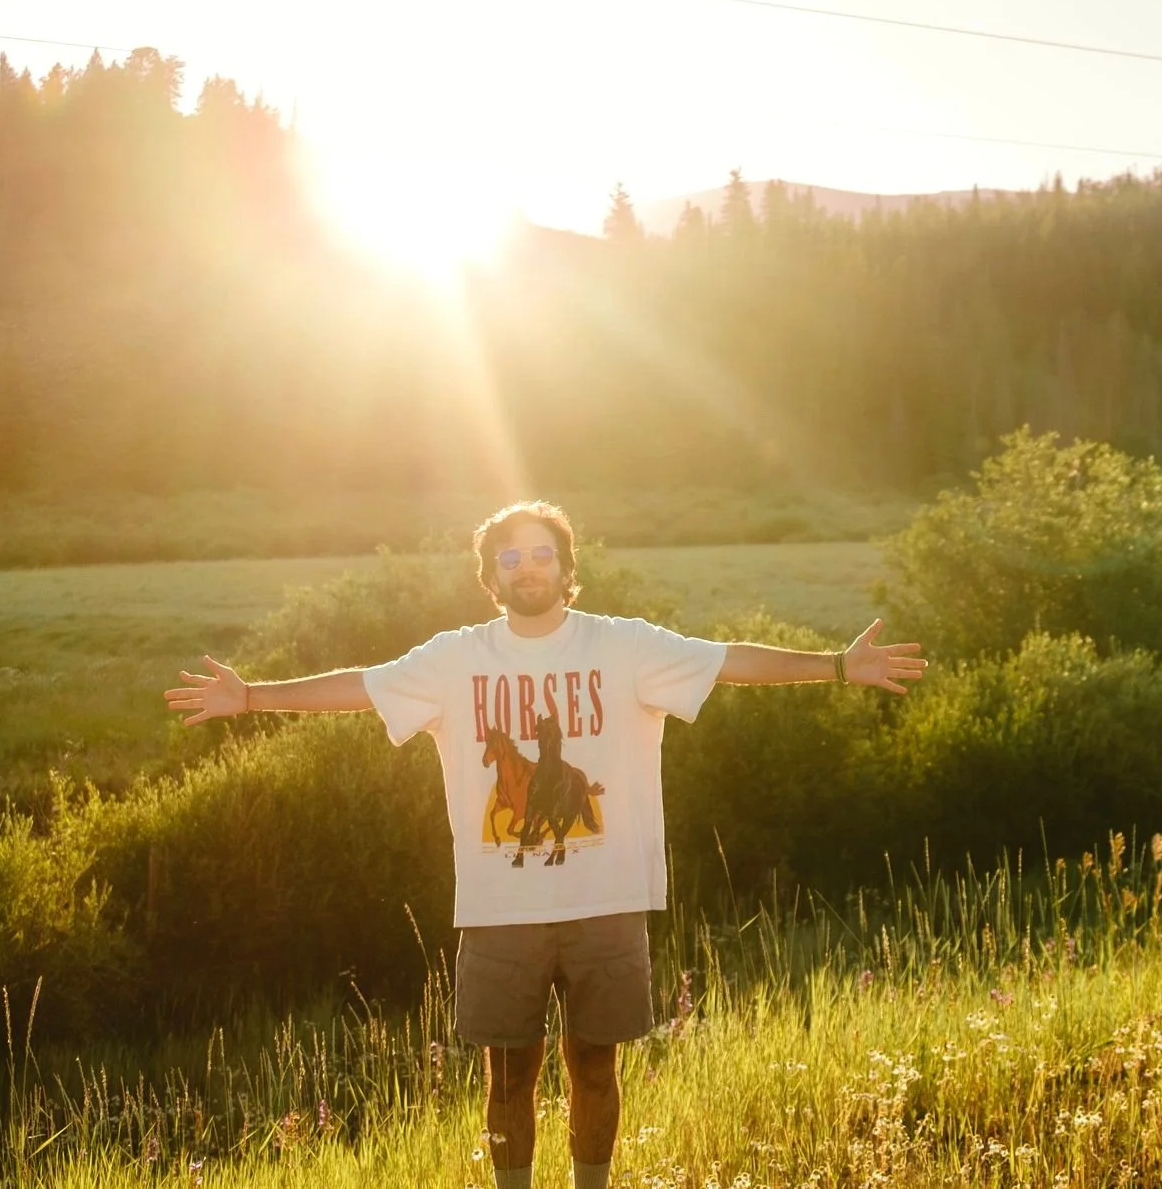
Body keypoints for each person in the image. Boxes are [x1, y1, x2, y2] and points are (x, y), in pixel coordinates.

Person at [164, 500, 925, 1189]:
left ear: (567, 567)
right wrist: (252, 696)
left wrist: (834, 666)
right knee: (507, 1075)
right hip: (502, 909)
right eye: (510, 556)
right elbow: (363, 684)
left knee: (596, 1066)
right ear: (491, 575)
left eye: (541, 554)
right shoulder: (455, 657)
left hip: (609, 900)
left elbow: (727, 660)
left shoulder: (624, 645)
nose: (527, 567)